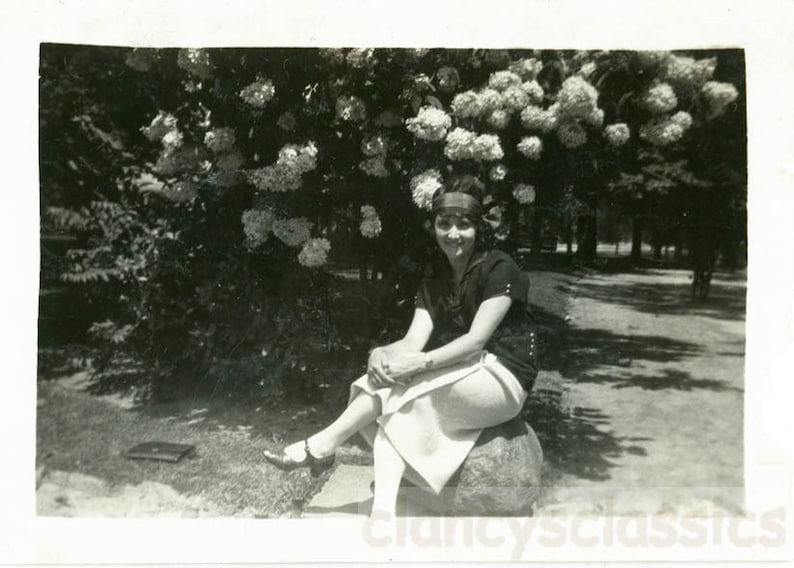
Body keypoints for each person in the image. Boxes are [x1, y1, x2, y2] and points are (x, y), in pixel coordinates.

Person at [263, 175, 538, 515]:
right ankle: (378, 507)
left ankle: (322, 448)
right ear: (434, 226)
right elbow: (412, 341)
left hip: (503, 377)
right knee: (375, 384)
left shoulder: (500, 267)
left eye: (464, 225)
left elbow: (475, 341)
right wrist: (379, 353)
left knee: (403, 398)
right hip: (464, 368)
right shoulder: (435, 275)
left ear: (479, 228)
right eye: (444, 224)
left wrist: (417, 365)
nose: (453, 234)